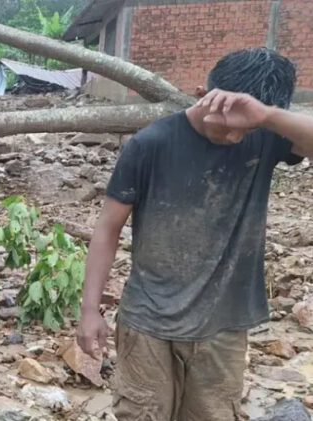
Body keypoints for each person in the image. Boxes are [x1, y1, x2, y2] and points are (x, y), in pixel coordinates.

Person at [77, 48, 313, 420]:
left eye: (246, 125)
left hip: (224, 326)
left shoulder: (266, 137)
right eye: (226, 122)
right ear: (204, 93)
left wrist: (266, 117)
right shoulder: (150, 144)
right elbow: (108, 229)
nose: (235, 135)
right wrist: (90, 310)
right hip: (148, 324)